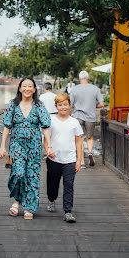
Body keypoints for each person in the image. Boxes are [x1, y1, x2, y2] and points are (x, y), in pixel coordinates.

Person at [0, 77, 54, 220]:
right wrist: (2, 146)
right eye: (24, 86)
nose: (27, 89)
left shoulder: (39, 106)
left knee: (32, 175)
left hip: (35, 145)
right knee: (19, 172)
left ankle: (29, 207)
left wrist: (49, 147)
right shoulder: (13, 105)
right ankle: (17, 199)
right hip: (17, 144)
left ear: (34, 89)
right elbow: (7, 127)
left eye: (30, 86)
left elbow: (45, 128)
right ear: (20, 88)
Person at [44, 93, 83, 223]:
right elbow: (46, 138)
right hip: (54, 159)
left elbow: (79, 142)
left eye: (65, 105)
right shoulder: (51, 120)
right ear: (56, 107)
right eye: (60, 105)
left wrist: (79, 160)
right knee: (52, 184)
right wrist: (48, 150)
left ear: (70, 106)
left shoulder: (75, 122)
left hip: (70, 160)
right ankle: (51, 199)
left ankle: (68, 211)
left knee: (69, 185)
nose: (63, 107)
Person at [70, 71, 104, 168]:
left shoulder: (74, 89)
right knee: (90, 137)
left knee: (79, 138)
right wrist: (94, 105)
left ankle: (81, 162)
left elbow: (70, 104)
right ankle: (90, 152)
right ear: (88, 78)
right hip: (91, 116)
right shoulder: (95, 89)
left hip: (78, 116)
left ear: (79, 79)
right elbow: (101, 104)